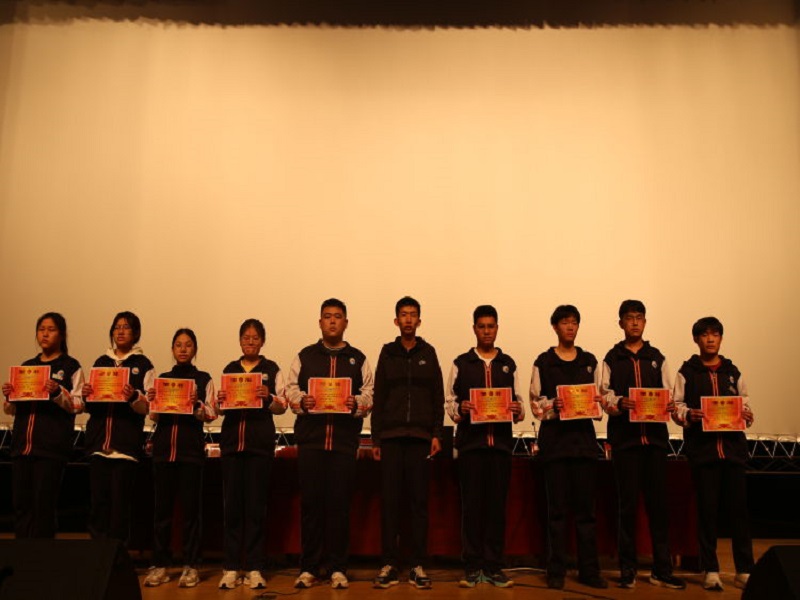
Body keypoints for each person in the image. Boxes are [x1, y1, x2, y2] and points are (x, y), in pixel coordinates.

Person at [287, 298, 374, 590]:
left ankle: (338, 567)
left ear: (346, 322)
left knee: (339, 507)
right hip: (311, 443)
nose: (333, 321)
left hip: (343, 444)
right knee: (311, 507)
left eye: (338, 316)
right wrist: (302, 401)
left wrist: (356, 403)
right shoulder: (305, 356)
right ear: (320, 322)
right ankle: (309, 567)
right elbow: (290, 390)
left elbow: (369, 394)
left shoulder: (358, 358)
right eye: (327, 316)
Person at [601, 300, 685, 589]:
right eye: (629, 318)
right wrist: (618, 402)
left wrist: (670, 405)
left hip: (655, 443)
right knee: (626, 508)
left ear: (645, 322)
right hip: (625, 443)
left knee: (658, 507)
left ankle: (662, 569)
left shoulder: (657, 357)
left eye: (639, 318)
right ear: (621, 323)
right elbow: (604, 396)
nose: (635, 322)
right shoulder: (611, 358)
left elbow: (670, 394)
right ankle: (628, 569)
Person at [672, 316, 754, 591]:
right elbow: (676, 407)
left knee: (739, 512)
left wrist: (746, 414)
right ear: (696, 339)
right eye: (705, 335)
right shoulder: (687, 372)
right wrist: (689, 414)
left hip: (733, 452)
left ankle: (744, 569)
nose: (710, 339)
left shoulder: (732, 371)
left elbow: (745, 404)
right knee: (707, 513)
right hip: (703, 453)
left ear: (720, 338)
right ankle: (711, 569)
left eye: (715, 334)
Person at [445, 304, 524, 589]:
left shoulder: (508, 363)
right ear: (474, 329)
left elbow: (519, 403)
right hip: (471, 447)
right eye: (482, 326)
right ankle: (472, 566)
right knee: (472, 509)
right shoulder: (461, 363)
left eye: (491, 326)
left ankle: (493, 566)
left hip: (500, 447)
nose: (487, 331)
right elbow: (450, 402)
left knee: (496, 509)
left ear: (497, 328)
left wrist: (516, 409)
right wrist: (461, 408)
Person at [530, 305, 608, 590]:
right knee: (557, 513)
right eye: (565, 322)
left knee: (587, 513)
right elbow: (536, 404)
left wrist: (597, 403)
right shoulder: (544, 362)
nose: (570, 327)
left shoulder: (589, 361)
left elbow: (601, 400)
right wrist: (554, 405)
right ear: (555, 327)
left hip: (584, 445)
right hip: (555, 447)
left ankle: (589, 571)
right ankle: (556, 571)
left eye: (574, 322)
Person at [371, 296, 444, 590]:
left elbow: (438, 395)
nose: (409, 319)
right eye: (404, 314)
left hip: (420, 439)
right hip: (390, 438)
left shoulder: (429, 352)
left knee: (418, 504)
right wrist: (375, 437)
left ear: (419, 321)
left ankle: (417, 564)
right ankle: (389, 563)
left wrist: (436, 433)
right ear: (396, 320)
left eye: (413, 314)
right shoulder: (387, 353)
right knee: (390, 503)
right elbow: (379, 395)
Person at [216, 318, 287, 590]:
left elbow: (283, 405)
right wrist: (220, 401)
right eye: (246, 337)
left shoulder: (271, 369)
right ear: (239, 340)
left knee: (256, 509)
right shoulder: (230, 369)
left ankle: (255, 566)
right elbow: (219, 408)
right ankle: (232, 567)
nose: (250, 341)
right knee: (232, 509)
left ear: (262, 341)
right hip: (232, 446)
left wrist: (268, 396)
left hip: (259, 447)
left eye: (255, 338)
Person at [143, 328, 217, 588]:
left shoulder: (203, 379)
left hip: (190, 453)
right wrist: (153, 401)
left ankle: (191, 565)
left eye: (188, 345)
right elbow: (154, 416)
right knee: (161, 513)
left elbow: (211, 413)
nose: (183, 349)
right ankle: (160, 565)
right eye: (178, 345)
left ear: (195, 349)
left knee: (190, 513)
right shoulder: (162, 379)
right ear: (172, 349)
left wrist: (196, 404)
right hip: (164, 452)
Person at [2, 312, 84, 538]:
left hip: (50, 449)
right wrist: (10, 396)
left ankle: (43, 555)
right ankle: (22, 555)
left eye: (51, 329)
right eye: (41, 329)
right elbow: (10, 410)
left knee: (43, 507)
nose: (45, 334)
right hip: (22, 447)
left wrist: (57, 392)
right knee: (21, 506)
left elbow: (79, 404)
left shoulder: (70, 366)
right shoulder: (27, 366)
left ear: (62, 334)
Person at [82, 311, 153, 545]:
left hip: (125, 447)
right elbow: (88, 405)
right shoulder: (101, 363)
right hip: (98, 445)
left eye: (126, 327)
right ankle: (97, 557)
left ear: (135, 333)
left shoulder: (143, 365)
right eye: (117, 327)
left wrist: (133, 396)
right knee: (98, 506)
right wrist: (86, 395)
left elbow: (148, 407)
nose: (120, 331)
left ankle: (117, 558)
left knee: (119, 508)